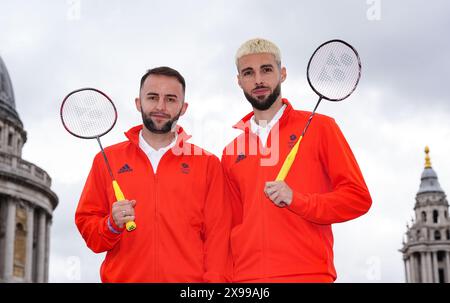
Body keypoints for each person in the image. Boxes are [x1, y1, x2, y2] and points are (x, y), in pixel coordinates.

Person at [221, 38, 372, 282]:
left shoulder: (321, 127)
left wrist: (297, 200)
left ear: (282, 74)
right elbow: (230, 224)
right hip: (246, 281)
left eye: (266, 70)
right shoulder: (230, 153)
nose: (258, 80)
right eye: (248, 73)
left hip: (308, 274)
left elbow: (358, 198)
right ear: (239, 81)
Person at [75, 66, 231, 282]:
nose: (160, 106)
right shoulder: (106, 160)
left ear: (183, 107)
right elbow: (91, 233)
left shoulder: (208, 164)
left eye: (170, 99)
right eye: (152, 97)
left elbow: (219, 239)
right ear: (138, 102)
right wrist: (111, 224)